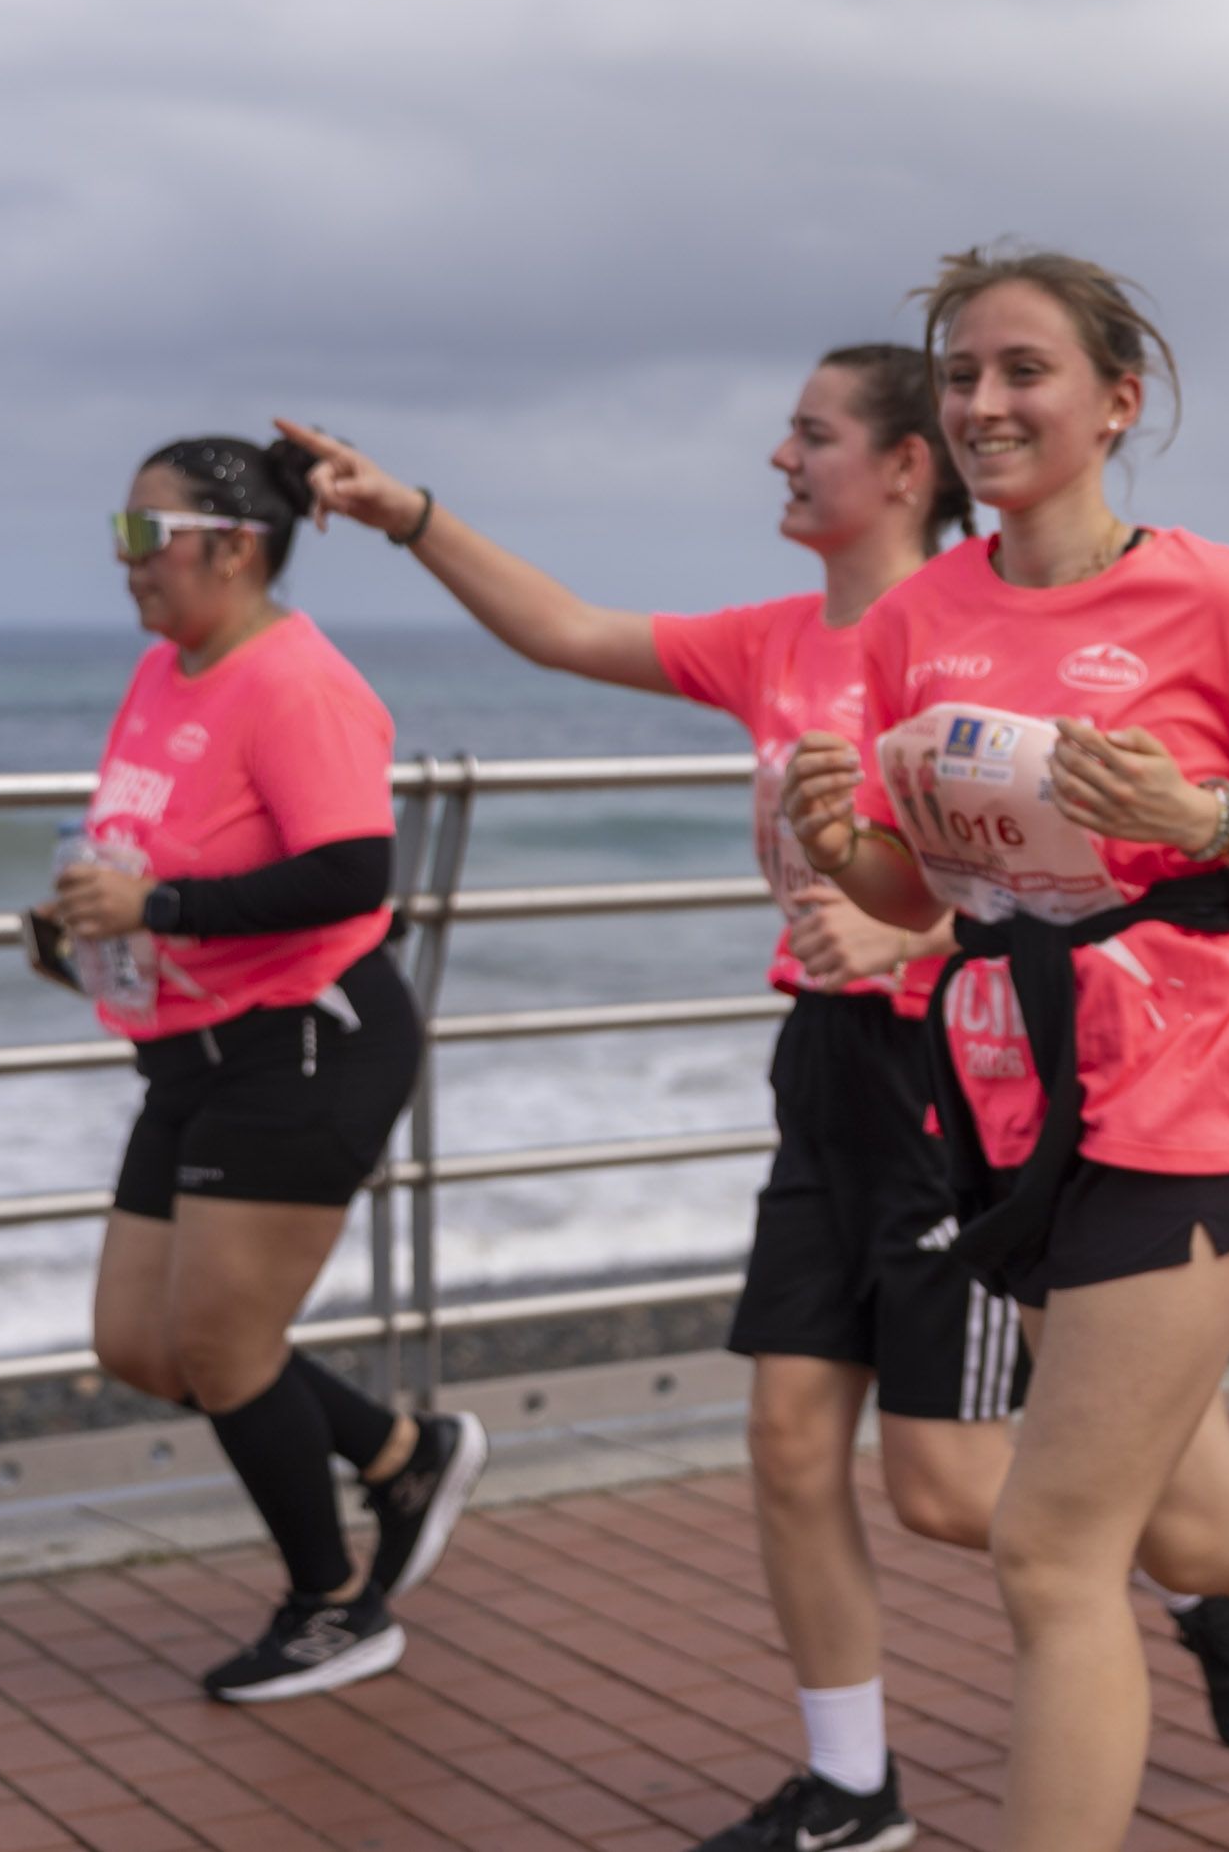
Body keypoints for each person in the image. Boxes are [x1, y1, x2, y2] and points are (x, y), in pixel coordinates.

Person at [286, 349, 1138, 1852]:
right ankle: (852, 1786)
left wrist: (909, 936)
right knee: (790, 1442)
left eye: (813, 433)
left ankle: (1188, 1572)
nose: (780, 457)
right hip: (821, 1066)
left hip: (955, 1077)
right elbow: (564, 629)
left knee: (949, 1487)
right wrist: (405, 510)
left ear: (906, 468)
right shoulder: (772, 640)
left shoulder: (969, 635)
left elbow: (1074, 871)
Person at [788, 247, 1229, 1852]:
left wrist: (1203, 815)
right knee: (1201, 1528)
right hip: (1008, 1113)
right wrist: (839, 841)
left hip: (1182, 1106)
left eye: (1022, 369)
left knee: (1053, 1549)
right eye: (960, 375)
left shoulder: (1213, 593)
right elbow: (920, 892)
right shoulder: (916, 617)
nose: (982, 402)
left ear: (1119, 400)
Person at [46, 435, 482, 1706]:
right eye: (119, 533)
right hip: (188, 1048)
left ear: (234, 546)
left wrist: (159, 906)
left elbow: (353, 873)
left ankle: (335, 1606)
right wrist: (90, 919)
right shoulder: (164, 670)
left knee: (226, 1347)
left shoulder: (297, 684)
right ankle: (400, 1455)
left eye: (147, 535)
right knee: (142, 1344)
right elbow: (152, 844)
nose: (126, 561)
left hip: (306, 1041)